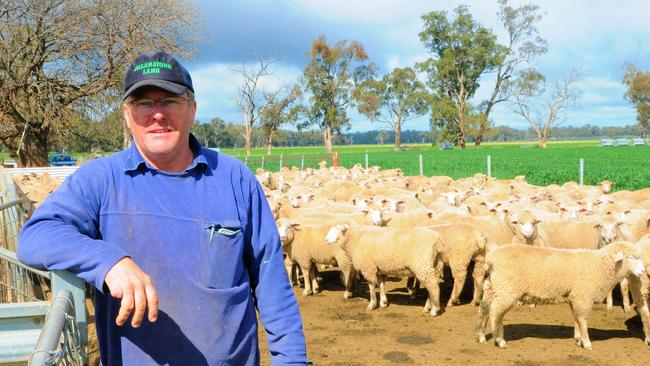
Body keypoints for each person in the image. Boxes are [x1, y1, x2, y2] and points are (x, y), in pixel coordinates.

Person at [18, 51, 309, 365]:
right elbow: (36, 236)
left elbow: (271, 283)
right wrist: (110, 262)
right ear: (127, 116)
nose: (157, 115)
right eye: (143, 104)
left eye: (169, 101)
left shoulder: (235, 179)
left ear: (192, 109)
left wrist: (292, 360)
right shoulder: (102, 179)